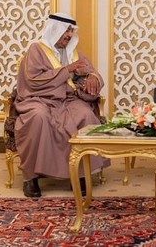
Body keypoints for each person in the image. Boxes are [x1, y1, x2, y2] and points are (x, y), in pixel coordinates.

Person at [14, 12, 110, 197]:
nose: (69, 35)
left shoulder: (74, 54)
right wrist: (67, 70)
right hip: (38, 99)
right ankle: (31, 178)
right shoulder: (36, 50)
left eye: (71, 31)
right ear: (54, 30)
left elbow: (92, 71)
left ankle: (81, 174)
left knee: (85, 115)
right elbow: (34, 81)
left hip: (68, 100)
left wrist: (92, 77)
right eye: (66, 30)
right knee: (38, 117)